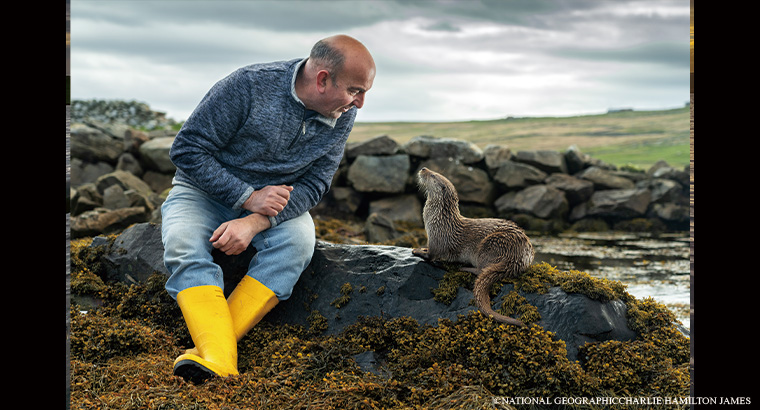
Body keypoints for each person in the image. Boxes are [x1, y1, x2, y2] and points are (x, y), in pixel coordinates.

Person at [160, 34, 375, 383]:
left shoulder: (341, 113)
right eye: (355, 90)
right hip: (200, 193)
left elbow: (316, 185)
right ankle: (222, 356)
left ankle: (214, 352)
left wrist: (256, 221)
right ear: (322, 79)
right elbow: (186, 150)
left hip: (274, 207)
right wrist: (247, 197)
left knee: (299, 244)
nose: (360, 103)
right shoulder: (248, 86)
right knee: (183, 243)